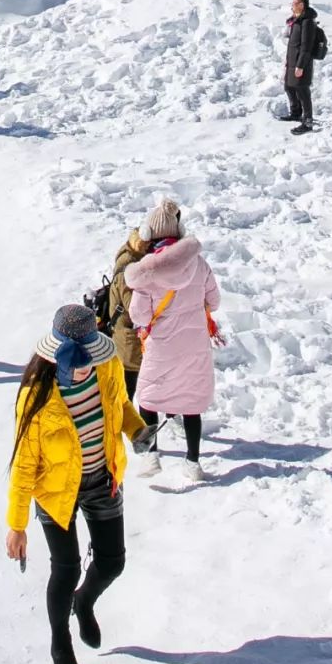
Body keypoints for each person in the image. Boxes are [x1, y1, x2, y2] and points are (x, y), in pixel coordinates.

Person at [6, 303, 147, 664]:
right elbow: (22, 464)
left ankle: (84, 601)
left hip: (103, 477)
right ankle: (60, 644)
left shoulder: (108, 366)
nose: (87, 366)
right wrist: (17, 525)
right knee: (64, 570)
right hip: (54, 490)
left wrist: (137, 431)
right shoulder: (36, 396)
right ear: (58, 359)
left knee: (113, 562)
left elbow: (120, 406)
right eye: (79, 361)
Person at [124, 200, 221, 482]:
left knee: (149, 400)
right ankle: (193, 464)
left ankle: (151, 456)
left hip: (161, 347)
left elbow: (139, 315)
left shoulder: (146, 272)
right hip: (195, 347)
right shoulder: (199, 263)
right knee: (191, 404)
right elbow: (213, 301)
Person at [109, 229, 149, 401]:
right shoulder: (129, 270)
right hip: (129, 339)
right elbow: (133, 307)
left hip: (126, 335)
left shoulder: (127, 256)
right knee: (127, 393)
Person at [282, 0, 318, 134]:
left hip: (301, 62)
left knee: (303, 91)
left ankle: (308, 122)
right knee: (289, 86)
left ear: (302, 5)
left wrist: (300, 65)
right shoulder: (296, 20)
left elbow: (306, 46)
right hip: (292, 61)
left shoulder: (307, 22)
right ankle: (296, 113)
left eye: (294, 3)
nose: (292, 6)